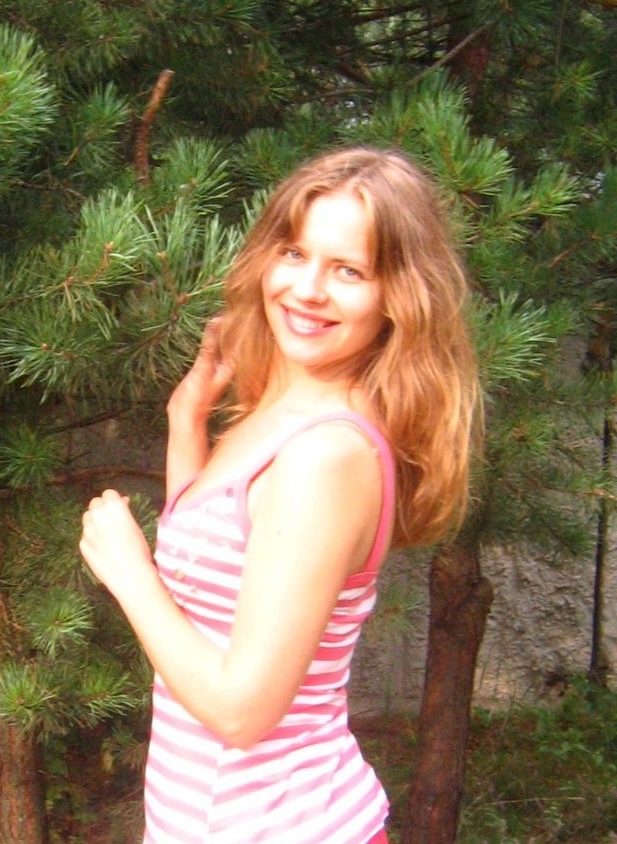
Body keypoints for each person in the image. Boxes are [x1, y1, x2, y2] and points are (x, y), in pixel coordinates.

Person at [79, 146, 480, 843]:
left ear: (399, 296)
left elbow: (242, 712)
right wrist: (186, 421)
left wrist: (128, 574)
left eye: (348, 270)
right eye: (294, 253)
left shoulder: (326, 456)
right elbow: (210, 591)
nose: (308, 289)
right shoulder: (278, 413)